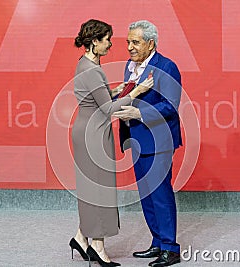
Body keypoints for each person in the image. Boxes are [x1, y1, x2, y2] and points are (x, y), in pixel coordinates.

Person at [69, 19, 153, 267]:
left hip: (88, 130)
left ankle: (81, 238)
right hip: (94, 134)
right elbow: (107, 110)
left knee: (91, 189)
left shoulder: (86, 64)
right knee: (99, 191)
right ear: (94, 41)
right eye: (107, 40)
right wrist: (136, 92)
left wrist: (116, 90)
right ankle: (98, 246)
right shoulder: (92, 70)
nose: (110, 45)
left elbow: (97, 98)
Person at [113, 20, 182, 267]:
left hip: (159, 141)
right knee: (146, 195)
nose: (130, 47)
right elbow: (127, 98)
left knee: (160, 193)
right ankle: (157, 242)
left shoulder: (167, 66)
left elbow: (170, 105)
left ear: (150, 43)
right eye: (128, 42)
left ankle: (170, 248)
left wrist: (139, 114)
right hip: (137, 140)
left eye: (135, 42)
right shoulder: (129, 67)